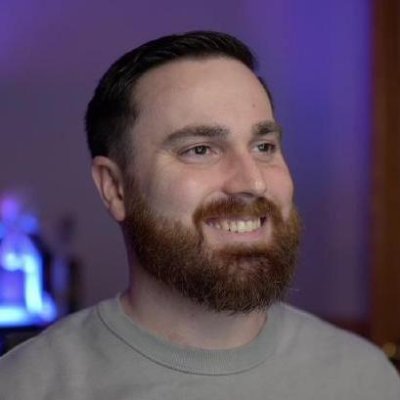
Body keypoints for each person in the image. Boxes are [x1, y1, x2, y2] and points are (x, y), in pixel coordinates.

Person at [0, 31, 399, 399]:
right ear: (115, 188)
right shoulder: (27, 386)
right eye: (200, 150)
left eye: (263, 146)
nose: (253, 182)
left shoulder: (365, 378)